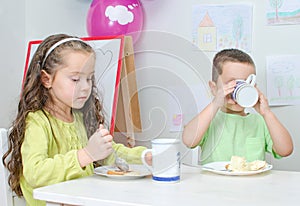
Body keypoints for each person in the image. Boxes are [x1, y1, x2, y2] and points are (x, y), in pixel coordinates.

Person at [2, 34, 151, 206]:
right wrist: (86, 154)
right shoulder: (37, 121)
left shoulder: (80, 118)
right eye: (75, 79)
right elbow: (35, 173)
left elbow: (109, 153)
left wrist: (143, 156)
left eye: (89, 78)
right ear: (46, 79)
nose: (86, 87)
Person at [182, 48, 293, 165]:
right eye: (231, 83)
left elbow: (285, 150)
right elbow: (189, 141)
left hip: (252, 183)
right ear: (214, 88)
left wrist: (267, 113)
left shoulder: (259, 122)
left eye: (246, 83)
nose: (239, 88)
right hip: (214, 182)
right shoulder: (209, 120)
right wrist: (215, 103)